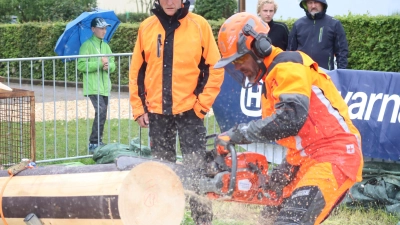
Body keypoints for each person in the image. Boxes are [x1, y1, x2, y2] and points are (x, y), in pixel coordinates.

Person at [214, 12, 363, 225]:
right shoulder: (271, 77)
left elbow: (290, 118)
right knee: (268, 216)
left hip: (334, 155)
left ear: (259, 47)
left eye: (239, 59)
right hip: (301, 156)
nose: (237, 67)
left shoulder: (288, 66)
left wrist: (238, 134)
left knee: (290, 221)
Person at [128, 0, 224, 224]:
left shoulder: (199, 25)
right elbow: (136, 71)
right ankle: (164, 218)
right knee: (162, 171)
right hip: (158, 114)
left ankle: (202, 220)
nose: (170, 2)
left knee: (195, 170)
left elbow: (215, 68)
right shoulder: (147, 27)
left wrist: (201, 106)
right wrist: (138, 107)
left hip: (190, 112)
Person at [78, 17, 116, 153]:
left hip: (105, 86)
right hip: (93, 86)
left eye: (105, 28)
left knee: (102, 113)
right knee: (101, 111)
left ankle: (98, 140)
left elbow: (113, 65)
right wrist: (99, 64)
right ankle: (94, 143)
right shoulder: (86, 46)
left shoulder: (106, 46)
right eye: (101, 28)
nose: (104, 31)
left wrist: (108, 66)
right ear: (93, 29)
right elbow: (81, 65)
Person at [287, 0, 349, 70]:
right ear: (306, 5)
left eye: (316, 2)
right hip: (303, 74)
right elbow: (290, 52)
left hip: (326, 74)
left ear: (323, 4)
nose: (313, 6)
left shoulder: (334, 24)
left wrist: (341, 73)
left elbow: (341, 52)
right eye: (310, 3)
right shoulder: (298, 24)